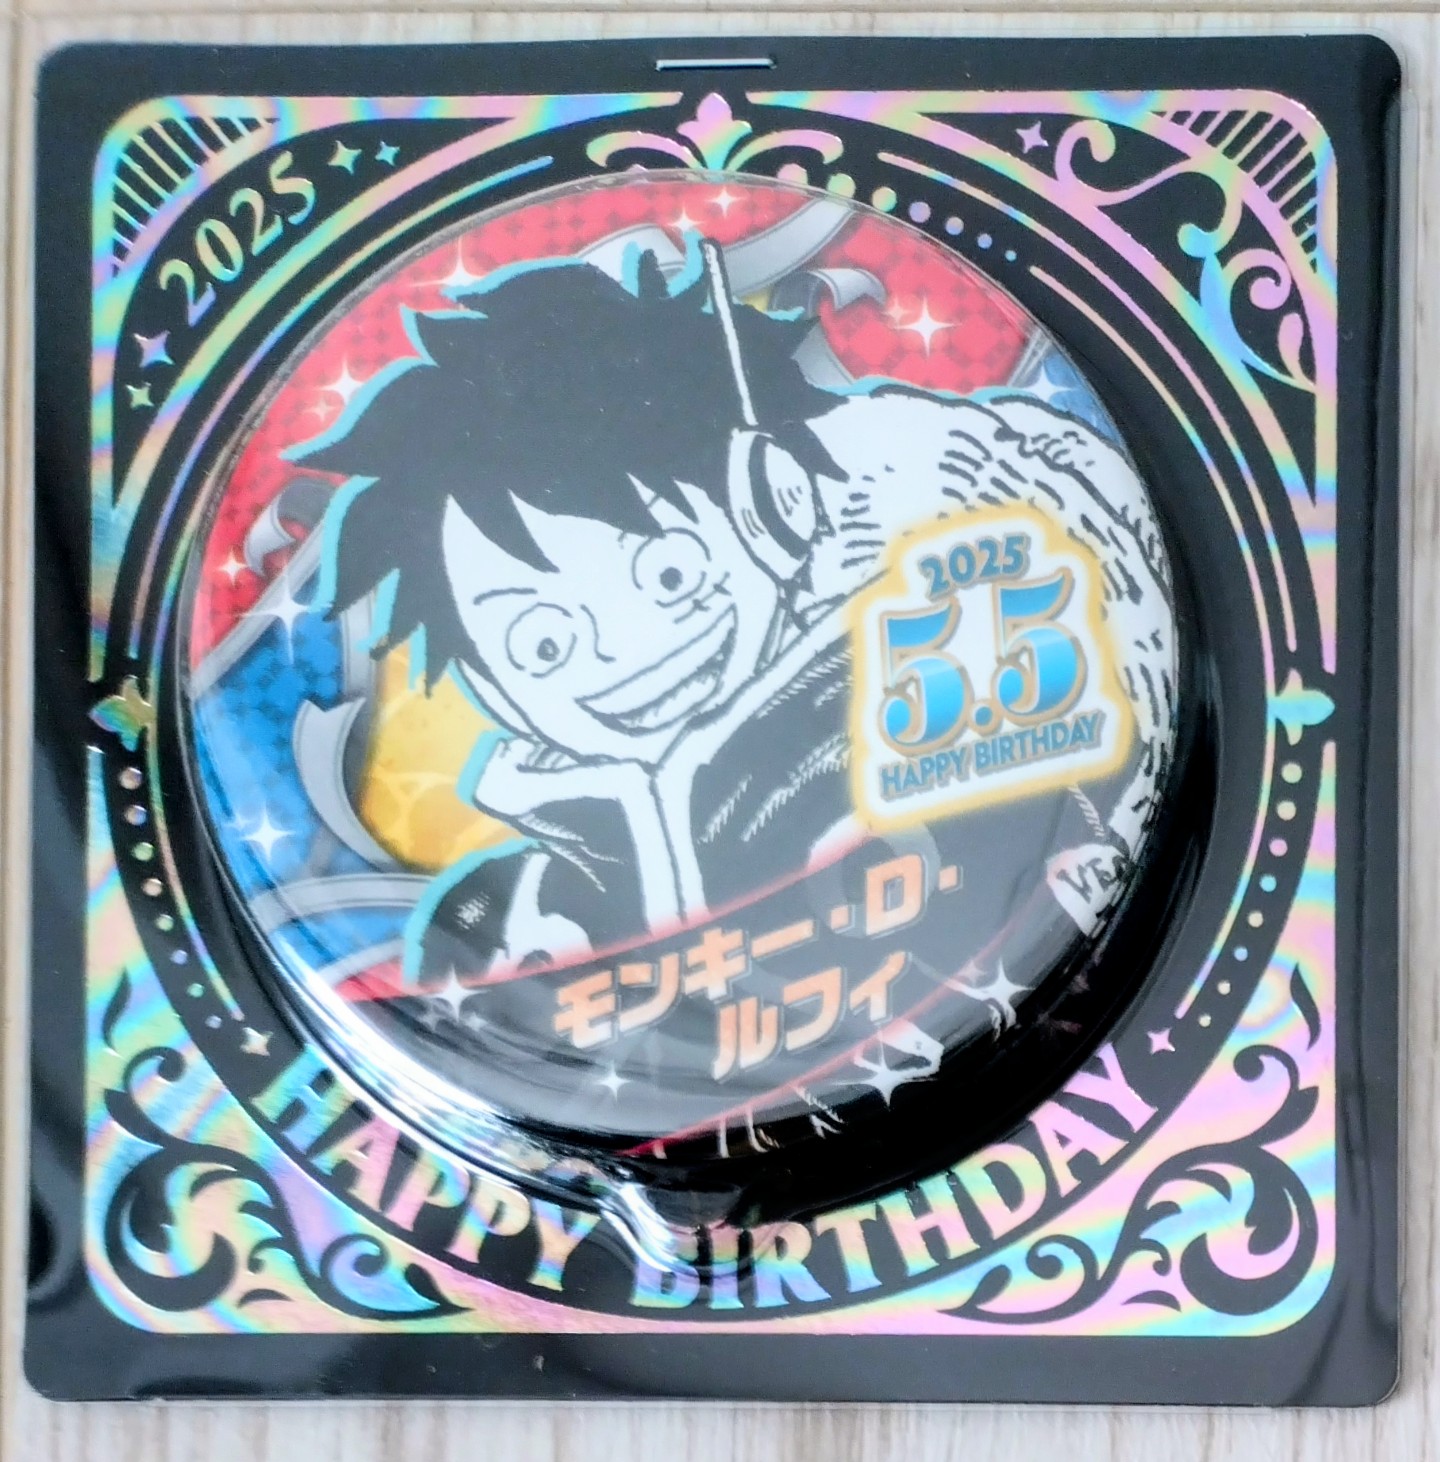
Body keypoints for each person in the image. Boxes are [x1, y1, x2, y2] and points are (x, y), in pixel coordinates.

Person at [298, 243, 1176, 987]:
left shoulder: (962, 729)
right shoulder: (506, 918)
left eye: (669, 573)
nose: (624, 651)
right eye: (545, 642)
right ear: (489, 685)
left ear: (774, 499)